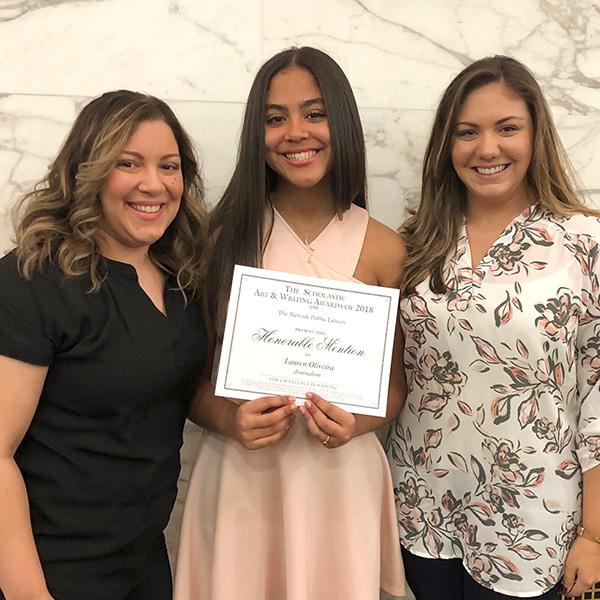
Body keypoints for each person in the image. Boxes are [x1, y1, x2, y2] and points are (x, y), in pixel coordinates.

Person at [174, 46, 406, 600]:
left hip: (341, 479)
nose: (295, 132)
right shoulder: (219, 239)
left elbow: (395, 385)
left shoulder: (385, 248)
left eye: (315, 113)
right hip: (242, 475)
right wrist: (228, 421)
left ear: (342, 122)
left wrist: (359, 423)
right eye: (275, 118)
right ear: (257, 133)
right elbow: (188, 379)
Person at [387, 54, 600, 600]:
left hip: (533, 522)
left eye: (508, 128)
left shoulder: (583, 243)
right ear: (446, 145)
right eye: (467, 132)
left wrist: (595, 535)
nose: (487, 149)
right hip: (421, 509)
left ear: (536, 135)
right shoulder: (416, 242)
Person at [0, 90, 209, 600]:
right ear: (87, 170)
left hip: (143, 561)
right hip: (53, 570)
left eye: (169, 165)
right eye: (128, 163)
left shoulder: (181, 277)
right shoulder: (33, 279)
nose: (153, 184)